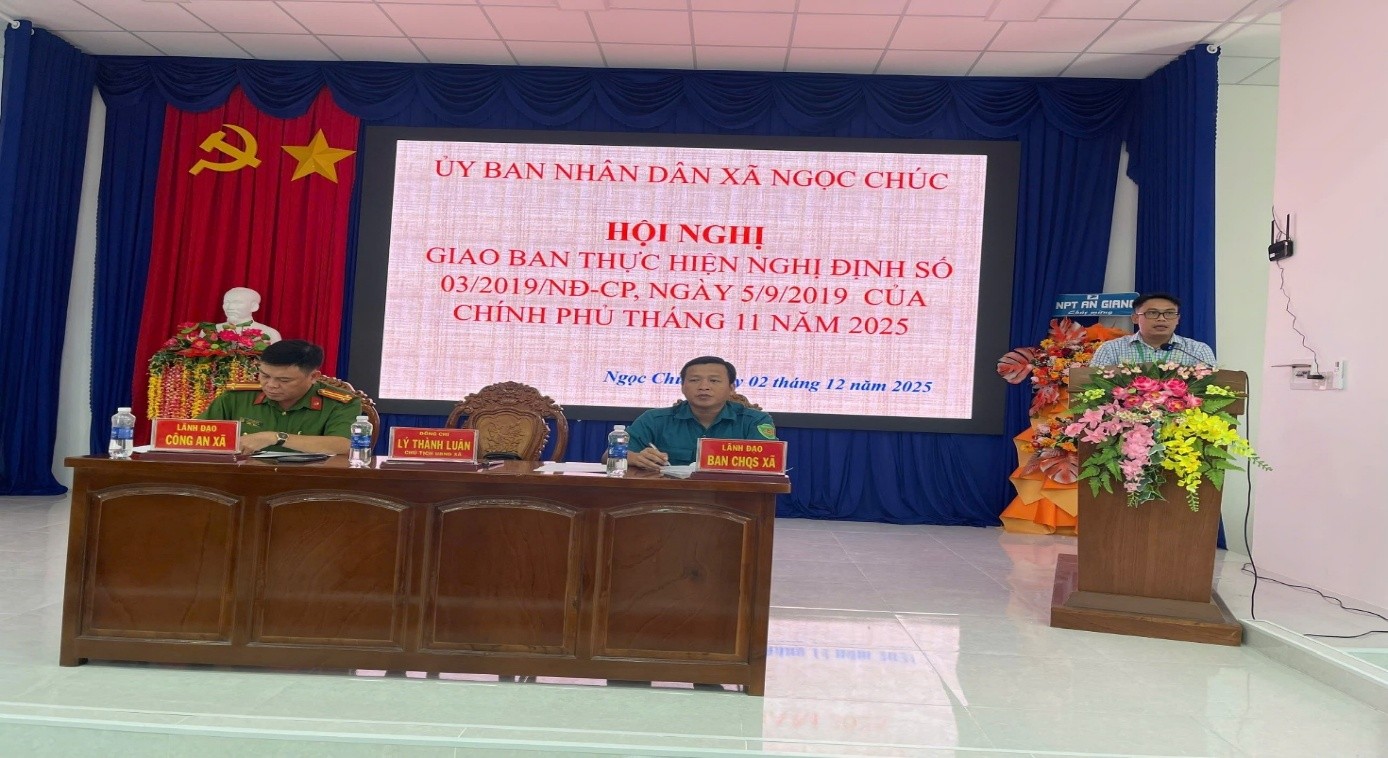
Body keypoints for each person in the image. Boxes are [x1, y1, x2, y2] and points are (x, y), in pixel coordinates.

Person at [200, 339, 360, 455]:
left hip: (309, 481)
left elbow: (344, 445)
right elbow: (198, 433)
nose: (271, 385)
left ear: (313, 377)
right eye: (264, 376)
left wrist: (276, 438)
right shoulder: (236, 397)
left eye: (284, 380)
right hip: (242, 478)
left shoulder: (340, 402)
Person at [625, 356, 778, 470]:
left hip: (733, 497)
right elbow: (614, 454)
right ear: (682, 387)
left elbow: (770, 462)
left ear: (731, 388)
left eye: (714, 380)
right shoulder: (654, 420)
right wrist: (634, 457)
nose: (704, 386)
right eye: (694, 380)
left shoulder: (754, 421)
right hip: (667, 497)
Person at [1090, 292, 1217, 367]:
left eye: (1169, 313)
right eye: (1152, 313)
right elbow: (1094, 388)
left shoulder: (1198, 350)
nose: (1161, 319)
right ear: (1135, 318)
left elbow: (1213, 388)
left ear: (1178, 319)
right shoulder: (1110, 349)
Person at [218, 286, 282, 344]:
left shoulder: (270, 334)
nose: (229, 307)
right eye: (227, 302)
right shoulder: (214, 330)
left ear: (254, 307)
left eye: (237, 303)